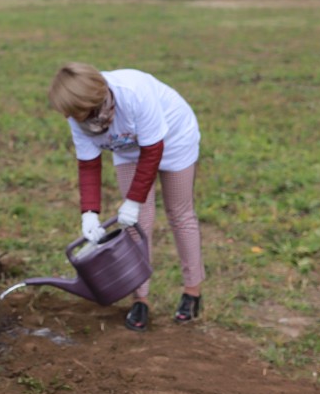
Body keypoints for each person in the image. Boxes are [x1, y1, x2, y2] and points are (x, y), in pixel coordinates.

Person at [48, 62, 204, 332]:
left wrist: (133, 200)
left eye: (79, 112)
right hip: (128, 147)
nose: (74, 119)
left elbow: (153, 151)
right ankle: (140, 299)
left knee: (180, 215)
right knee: (136, 225)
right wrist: (89, 212)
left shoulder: (134, 93)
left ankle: (193, 291)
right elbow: (88, 165)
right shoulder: (78, 117)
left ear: (95, 100)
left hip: (174, 139)